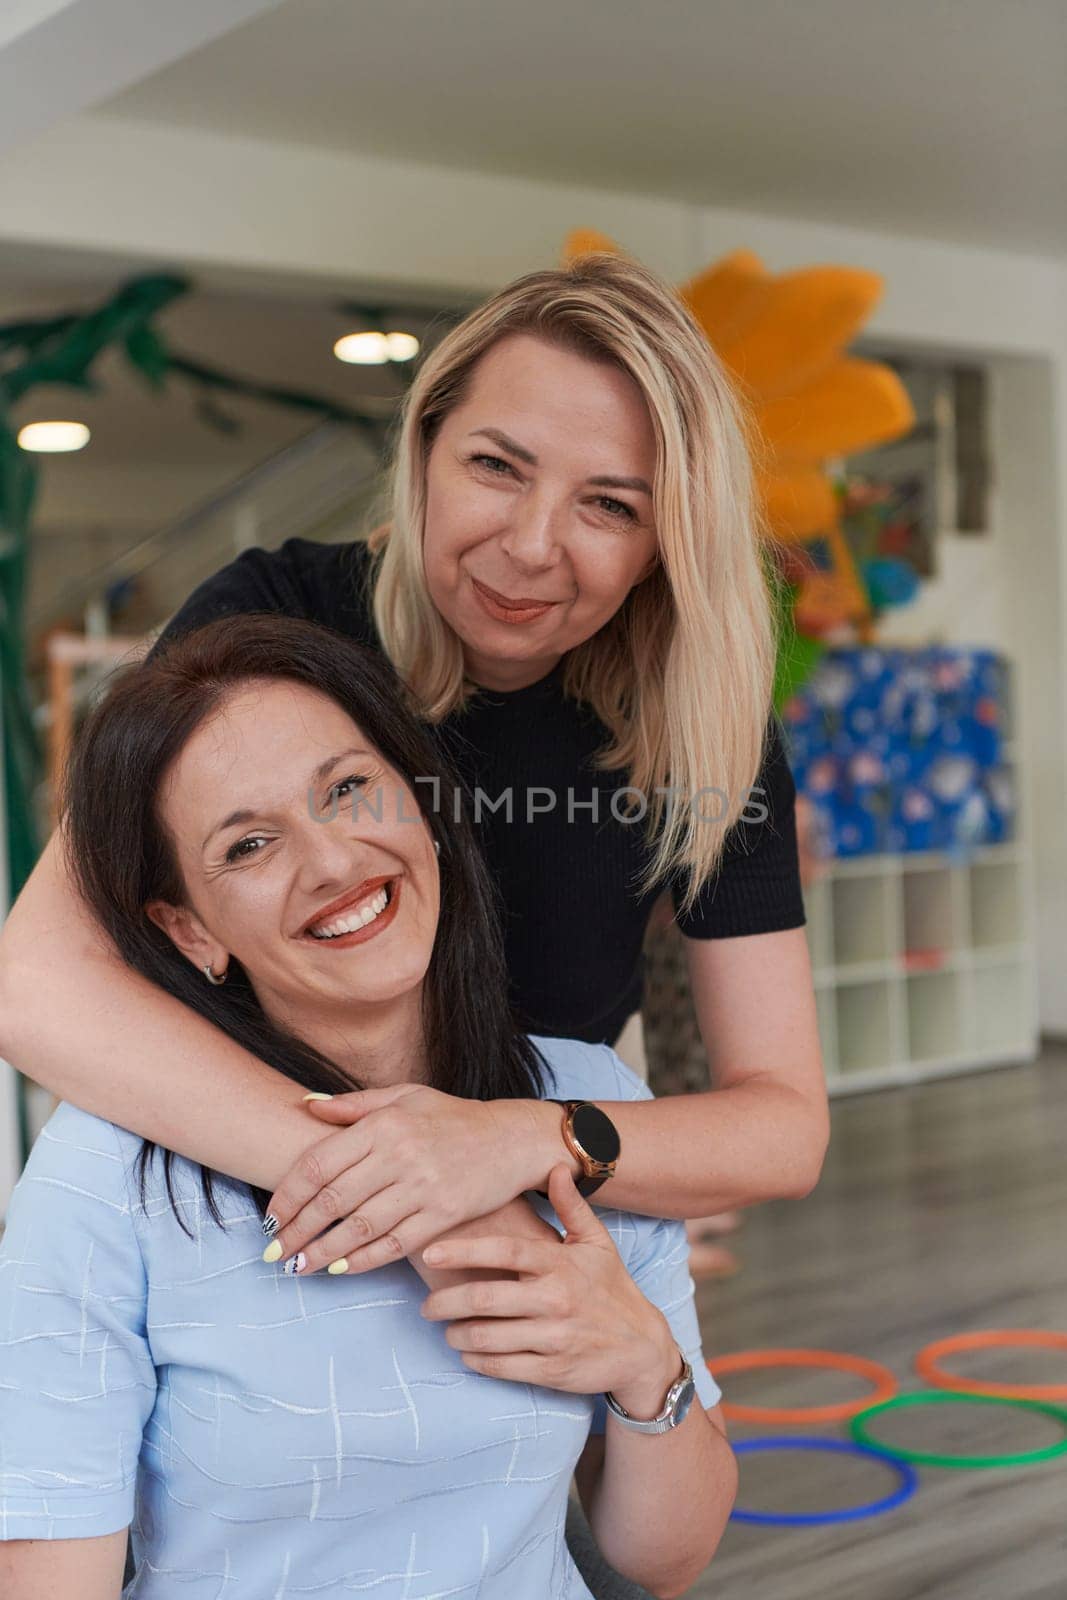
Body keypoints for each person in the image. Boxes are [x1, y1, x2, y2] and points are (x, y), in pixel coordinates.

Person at [0, 251, 827, 1294]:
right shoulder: (274, 619)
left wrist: (523, 1145)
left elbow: (781, 1125)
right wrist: (407, 1184)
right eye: (496, 466)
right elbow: (36, 985)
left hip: (524, 1244)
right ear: (425, 446)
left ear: (663, 541)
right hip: (246, 1226)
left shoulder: (699, 724)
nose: (530, 545)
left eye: (608, 505)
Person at [0, 617, 734, 1599]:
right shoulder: (107, 1177)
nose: (333, 860)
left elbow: (663, 1558)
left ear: (421, 801)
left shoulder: (586, 1100)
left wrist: (647, 1364)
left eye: (347, 789)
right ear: (189, 932)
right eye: (251, 844)